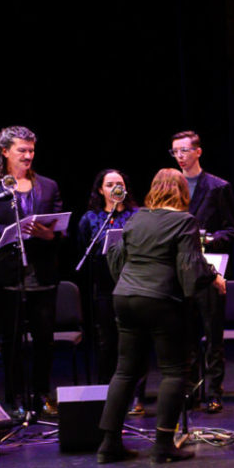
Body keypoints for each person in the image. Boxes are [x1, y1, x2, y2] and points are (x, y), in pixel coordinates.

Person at [95, 169, 225, 464]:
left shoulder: (137, 217)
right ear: (182, 191)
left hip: (125, 297)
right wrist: (213, 276)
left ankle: (109, 443)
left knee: (125, 371)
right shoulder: (184, 221)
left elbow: (117, 258)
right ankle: (164, 444)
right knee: (174, 371)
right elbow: (191, 268)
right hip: (160, 300)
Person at [0, 126, 63, 419]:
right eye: (21, 150)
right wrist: (13, 232)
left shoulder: (47, 185)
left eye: (31, 150)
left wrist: (51, 235)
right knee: (10, 340)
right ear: (5, 152)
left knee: (44, 340)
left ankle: (41, 394)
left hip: (42, 273)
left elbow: (59, 227)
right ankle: (13, 397)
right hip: (8, 274)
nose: (27, 155)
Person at [171, 131, 234, 413]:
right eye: (175, 151)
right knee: (183, 334)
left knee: (213, 335)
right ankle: (188, 390)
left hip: (209, 267)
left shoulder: (217, 187)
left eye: (185, 150)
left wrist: (208, 239)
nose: (180, 156)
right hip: (179, 270)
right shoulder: (170, 186)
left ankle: (213, 391)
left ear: (198, 152)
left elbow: (232, 230)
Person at [73, 169, 143, 414]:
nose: (115, 188)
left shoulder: (137, 215)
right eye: (110, 184)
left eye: (120, 184)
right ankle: (106, 395)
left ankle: (136, 396)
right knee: (107, 343)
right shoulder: (91, 218)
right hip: (104, 288)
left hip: (134, 285)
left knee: (135, 342)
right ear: (101, 190)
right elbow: (84, 249)